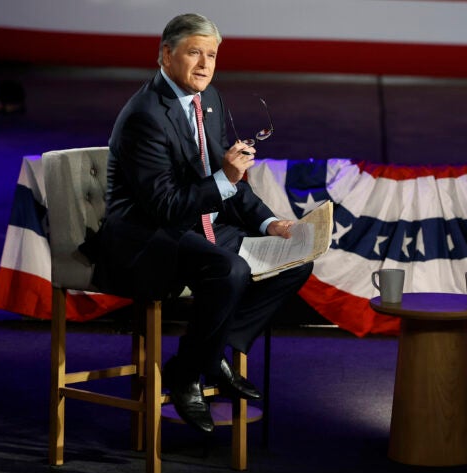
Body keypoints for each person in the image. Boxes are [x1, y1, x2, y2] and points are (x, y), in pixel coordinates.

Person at [95, 13, 312, 433]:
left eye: (211, 55)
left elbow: (226, 179)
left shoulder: (208, 99)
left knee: (296, 260)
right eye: (194, 52)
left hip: (190, 227)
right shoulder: (145, 114)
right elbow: (166, 206)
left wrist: (270, 224)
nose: (205, 65)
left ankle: (205, 357)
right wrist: (226, 178)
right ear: (165, 54)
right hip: (145, 237)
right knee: (229, 269)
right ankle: (189, 374)